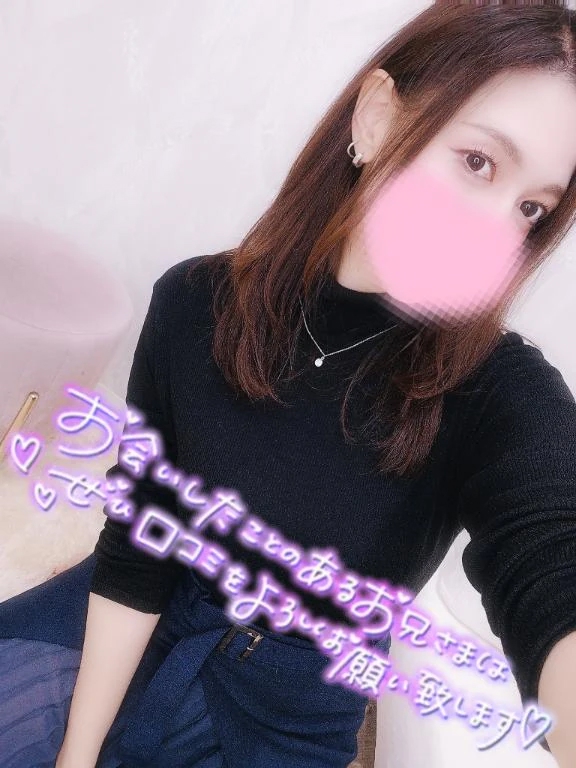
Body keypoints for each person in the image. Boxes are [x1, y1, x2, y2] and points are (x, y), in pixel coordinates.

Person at [2, 1, 576, 766]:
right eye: (478, 162)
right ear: (377, 118)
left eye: (531, 208)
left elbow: (552, 555)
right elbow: (139, 549)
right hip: (143, 622)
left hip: (289, 716)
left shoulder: (499, 393)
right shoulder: (194, 305)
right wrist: (77, 754)